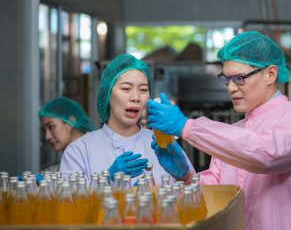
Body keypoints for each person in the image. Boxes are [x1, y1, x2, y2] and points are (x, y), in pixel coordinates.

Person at [147, 31, 291, 230]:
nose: (231, 88)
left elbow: (266, 153)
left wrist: (186, 126)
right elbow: (216, 193)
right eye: (227, 79)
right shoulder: (233, 133)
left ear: (270, 74)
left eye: (239, 78)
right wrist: (187, 176)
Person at [59, 54, 193, 184]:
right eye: (126, 88)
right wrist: (106, 181)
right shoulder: (79, 150)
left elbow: (197, 196)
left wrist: (183, 177)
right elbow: (69, 203)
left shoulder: (163, 145)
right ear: (107, 94)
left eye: (143, 90)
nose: (136, 97)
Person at [39, 96, 96, 172]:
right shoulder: (74, 152)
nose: (47, 137)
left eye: (51, 127)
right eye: (44, 131)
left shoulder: (92, 150)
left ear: (71, 121)